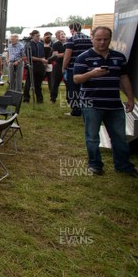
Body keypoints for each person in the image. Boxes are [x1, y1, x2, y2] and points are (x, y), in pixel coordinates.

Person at [73, 26, 138, 177]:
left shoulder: (119, 57)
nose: (102, 42)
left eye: (105, 39)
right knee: (92, 136)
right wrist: (92, 74)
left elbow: (123, 78)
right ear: (92, 39)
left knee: (119, 137)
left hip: (114, 103)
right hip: (91, 104)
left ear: (110, 39)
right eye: (98, 39)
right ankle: (95, 164)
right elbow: (76, 79)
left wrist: (130, 98)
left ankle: (123, 165)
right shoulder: (84, 57)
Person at [63, 21, 93, 116]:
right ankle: (86, 108)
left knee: (73, 90)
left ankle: (76, 110)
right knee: (85, 89)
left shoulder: (72, 39)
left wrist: (63, 67)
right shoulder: (89, 39)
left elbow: (67, 56)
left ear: (72, 29)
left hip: (73, 68)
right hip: (87, 68)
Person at [23, 30, 47, 103]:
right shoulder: (29, 45)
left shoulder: (41, 44)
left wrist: (44, 61)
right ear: (33, 36)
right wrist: (40, 59)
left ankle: (40, 100)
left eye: (39, 36)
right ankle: (26, 99)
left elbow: (43, 55)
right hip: (32, 65)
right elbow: (29, 56)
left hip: (40, 66)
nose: (38, 37)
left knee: (38, 84)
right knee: (28, 83)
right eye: (37, 36)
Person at [49, 30, 67, 103]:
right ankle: (53, 99)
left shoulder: (69, 43)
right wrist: (66, 53)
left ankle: (69, 99)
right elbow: (56, 55)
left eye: (63, 34)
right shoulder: (55, 44)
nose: (62, 35)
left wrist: (63, 54)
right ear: (57, 37)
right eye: (59, 35)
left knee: (68, 83)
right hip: (58, 65)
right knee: (55, 83)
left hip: (68, 65)